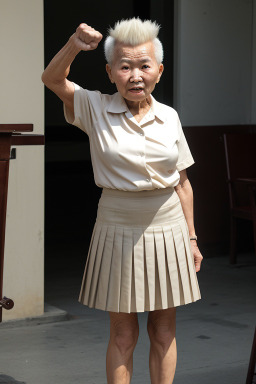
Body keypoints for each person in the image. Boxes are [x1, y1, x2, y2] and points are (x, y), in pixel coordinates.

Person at [42, 17, 203, 384]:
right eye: (125, 66)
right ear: (110, 71)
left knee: (163, 330)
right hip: (116, 226)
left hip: (168, 226)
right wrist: (74, 44)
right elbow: (52, 79)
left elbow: (183, 183)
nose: (135, 75)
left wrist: (192, 238)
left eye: (144, 66)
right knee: (123, 333)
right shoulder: (94, 108)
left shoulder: (169, 116)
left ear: (158, 72)